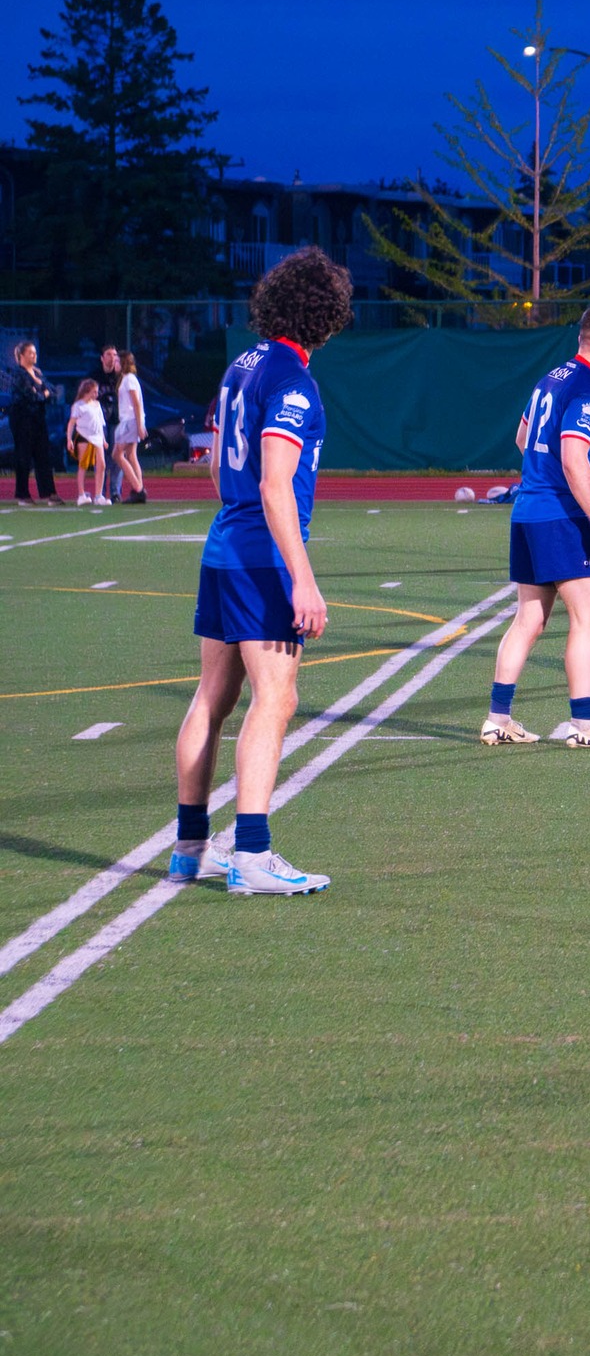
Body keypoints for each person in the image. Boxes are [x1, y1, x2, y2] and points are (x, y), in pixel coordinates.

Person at [169, 247, 354, 895]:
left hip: (224, 547)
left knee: (211, 700)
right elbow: (276, 485)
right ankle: (251, 851)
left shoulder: (241, 365)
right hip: (262, 558)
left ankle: (192, 845)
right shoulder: (294, 381)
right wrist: (302, 577)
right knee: (275, 698)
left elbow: (221, 467)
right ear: (325, 314)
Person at [481, 305, 590, 748]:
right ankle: (583, 724)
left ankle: (498, 717)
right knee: (589, 618)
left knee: (529, 617)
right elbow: (573, 456)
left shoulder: (550, 378)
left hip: (528, 510)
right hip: (562, 514)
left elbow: (522, 439)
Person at [7, 342, 60, 505]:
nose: (34, 355)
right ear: (21, 356)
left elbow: (52, 391)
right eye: (30, 352)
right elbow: (30, 396)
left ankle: (49, 493)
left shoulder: (38, 372)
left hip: (38, 418)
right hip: (23, 419)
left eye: (35, 352)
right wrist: (42, 394)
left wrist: (43, 394)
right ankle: (22, 494)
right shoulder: (18, 374)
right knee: (24, 456)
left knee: (43, 455)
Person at [66, 378, 110, 506]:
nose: (96, 394)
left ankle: (98, 495)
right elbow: (71, 423)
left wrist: (103, 439)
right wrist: (69, 439)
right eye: (94, 392)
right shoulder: (78, 406)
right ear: (86, 391)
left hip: (97, 438)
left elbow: (100, 423)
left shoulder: (97, 405)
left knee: (102, 465)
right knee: (83, 465)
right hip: (84, 437)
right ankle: (81, 495)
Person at [113, 351, 148, 503]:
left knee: (117, 454)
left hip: (130, 421)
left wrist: (140, 425)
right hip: (131, 420)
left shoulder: (128, 379)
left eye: (116, 361)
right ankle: (138, 489)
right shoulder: (127, 379)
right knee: (131, 455)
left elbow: (136, 403)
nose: (114, 364)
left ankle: (138, 488)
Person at [94, 344, 125, 500]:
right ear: (102, 358)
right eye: (108, 354)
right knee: (101, 457)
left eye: (114, 354)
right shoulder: (94, 376)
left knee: (118, 456)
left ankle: (115, 491)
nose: (112, 357)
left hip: (117, 420)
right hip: (101, 422)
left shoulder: (121, 376)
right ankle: (100, 491)